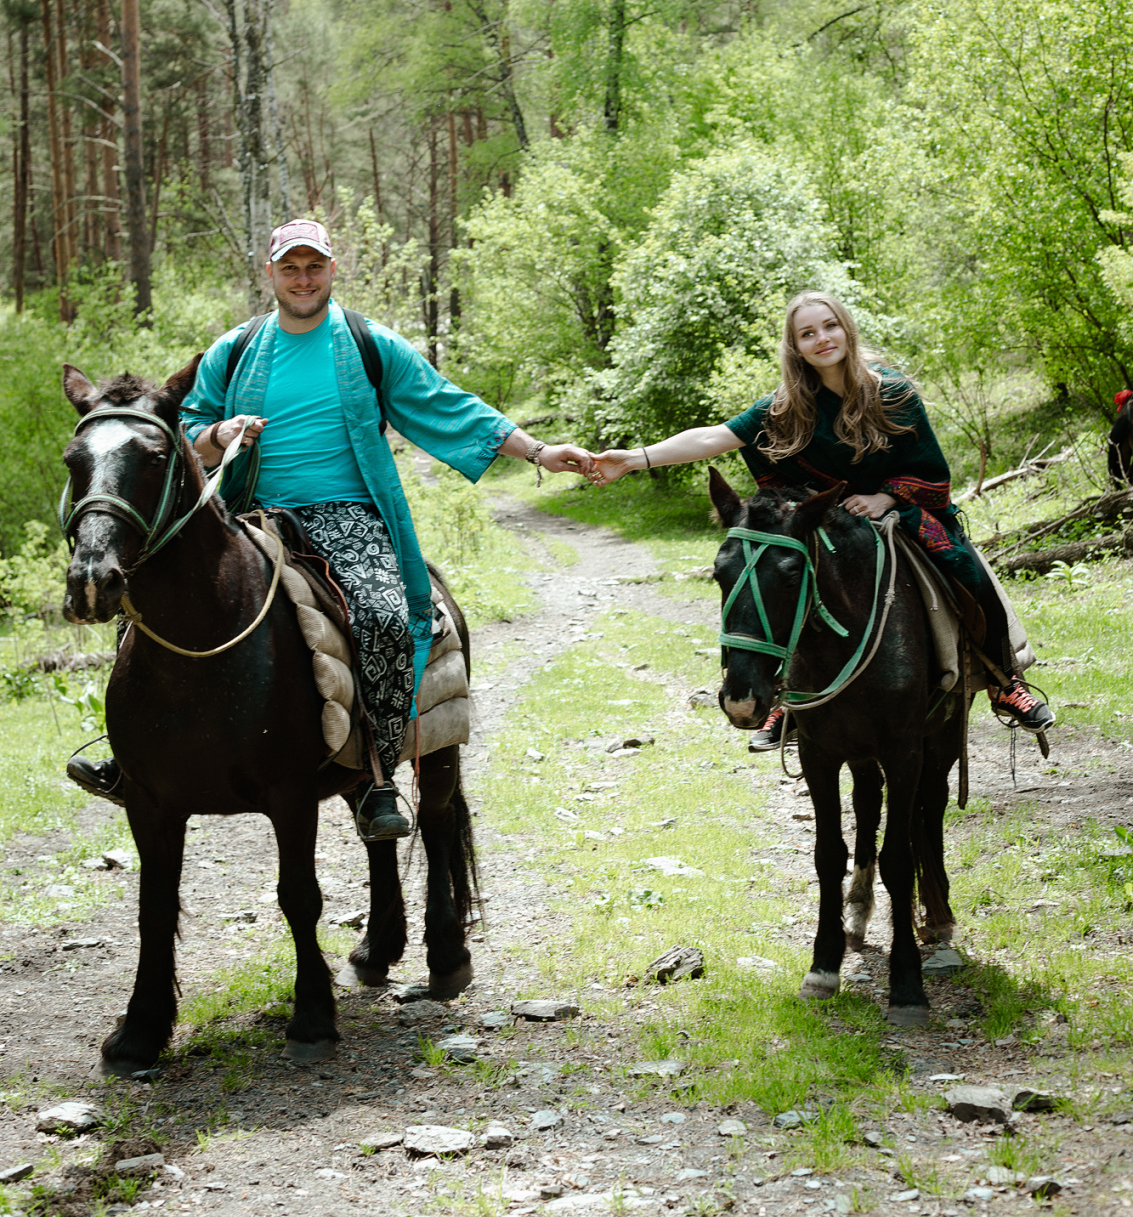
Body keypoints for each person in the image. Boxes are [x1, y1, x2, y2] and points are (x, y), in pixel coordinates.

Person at [67, 217, 593, 836]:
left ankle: (377, 775)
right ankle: (134, 762)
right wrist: (219, 434)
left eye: (314, 266)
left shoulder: (372, 346)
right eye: (290, 268)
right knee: (148, 605)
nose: (303, 279)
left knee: (384, 616)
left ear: (332, 270)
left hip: (348, 516)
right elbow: (178, 436)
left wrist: (536, 452)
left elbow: (449, 407)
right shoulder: (234, 351)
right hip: (248, 516)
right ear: (271, 274)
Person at [589, 290, 1054, 752]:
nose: (822, 338)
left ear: (846, 328)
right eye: (807, 333)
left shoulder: (891, 391)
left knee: (965, 569)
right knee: (782, 592)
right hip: (825, 519)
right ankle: (786, 699)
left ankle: (1003, 678)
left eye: (829, 326)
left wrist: (887, 498)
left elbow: (929, 468)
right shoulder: (785, 405)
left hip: (902, 508)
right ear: (795, 347)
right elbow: (715, 437)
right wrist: (633, 459)